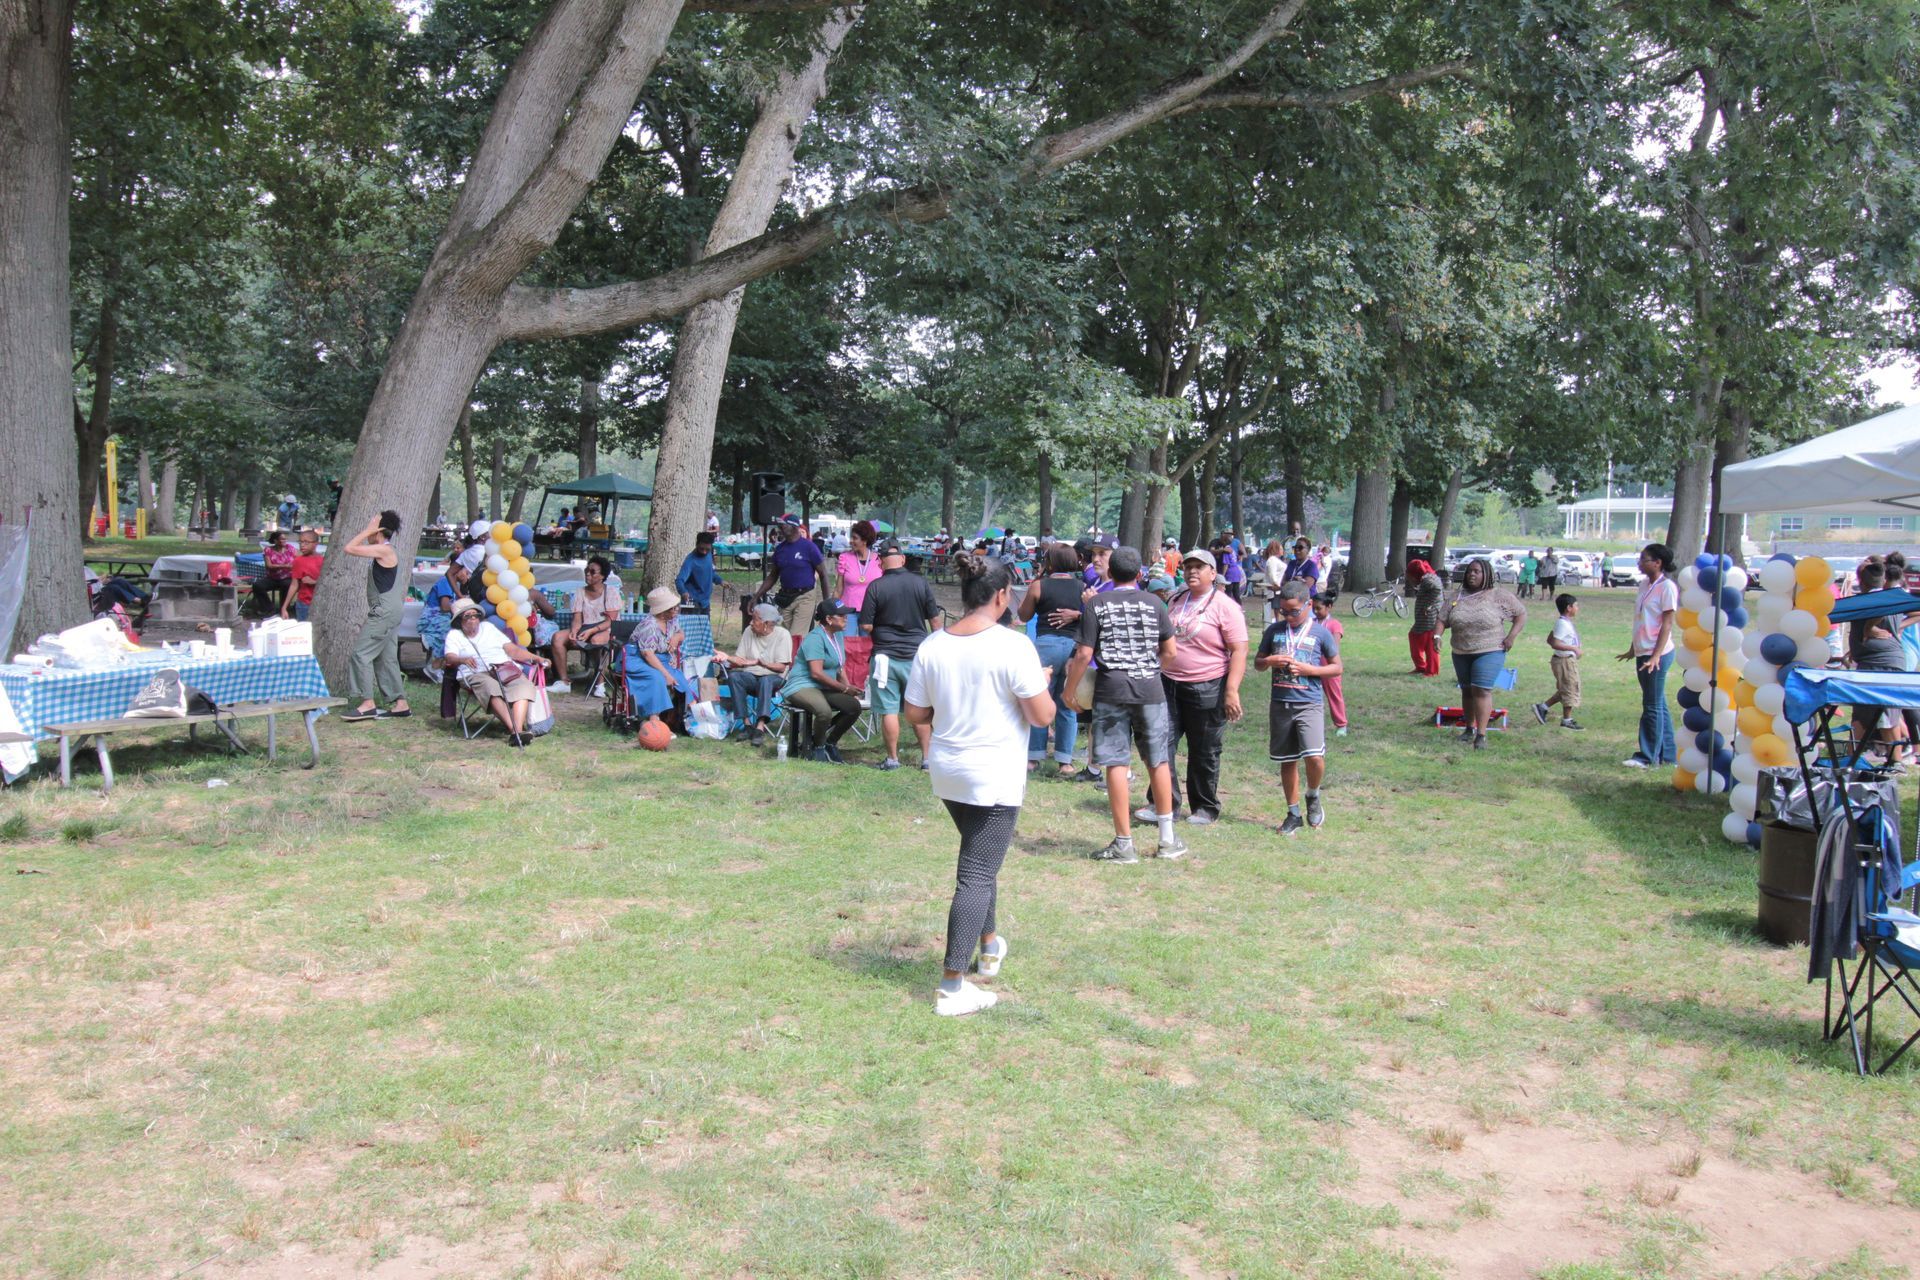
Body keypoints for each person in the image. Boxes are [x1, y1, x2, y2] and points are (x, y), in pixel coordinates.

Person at [903, 554, 1055, 1016]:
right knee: (976, 874)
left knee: (978, 861)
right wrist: (1041, 685)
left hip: (948, 769)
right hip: (992, 774)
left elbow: (915, 713)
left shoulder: (934, 644)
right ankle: (952, 986)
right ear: (1002, 595)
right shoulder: (1013, 647)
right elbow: (1043, 715)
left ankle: (989, 946)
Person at [1063, 545, 1186, 863]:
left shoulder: (1098, 604)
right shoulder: (1155, 604)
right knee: (1158, 762)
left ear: (1111, 573)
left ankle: (1123, 843)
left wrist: (1069, 691)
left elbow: (1084, 654)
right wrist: (1149, 669)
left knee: (1117, 763)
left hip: (1111, 690)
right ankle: (1167, 840)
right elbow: (1170, 652)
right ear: (1140, 574)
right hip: (1150, 691)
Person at [1140, 548, 1246, 826]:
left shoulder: (1226, 606)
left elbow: (1239, 650)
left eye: (1200, 567)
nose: (1192, 572)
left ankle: (1205, 807)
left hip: (1208, 687)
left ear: (1213, 573)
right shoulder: (1176, 598)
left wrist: (1232, 690)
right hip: (1168, 684)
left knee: (1204, 749)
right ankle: (1163, 804)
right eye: (1188, 567)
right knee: (1161, 743)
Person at [1255, 580, 1343, 835]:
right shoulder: (1274, 631)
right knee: (1288, 759)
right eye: (1284, 611)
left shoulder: (1321, 633)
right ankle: (1293, 813)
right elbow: (1258, 663)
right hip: (1281, 704)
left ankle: (1313, 795)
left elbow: (1337, 667)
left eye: (1294, 611)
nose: (1289, 616)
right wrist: (1270, 661)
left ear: (1308, 605)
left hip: (1309, 703)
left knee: (1314, 756)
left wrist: (1309, 670)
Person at [859, 538, 942, 770]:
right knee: (921, 709)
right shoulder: (920, 583)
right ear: (903, 559)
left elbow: (865, 626)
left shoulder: (875, 586)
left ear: (880, 562)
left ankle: (893, 758)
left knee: (888, 709)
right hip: (917, 656)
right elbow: (935, 622)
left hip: (885, 656)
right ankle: (927, 759)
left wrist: (883, 630)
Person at [1018, 542, 1088, 777]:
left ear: (1050, 562)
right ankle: (1065, 761)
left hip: (1045, 646)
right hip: (1072, 648)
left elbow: (1023, 615)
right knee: (1067, 704)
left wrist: (1037, 579)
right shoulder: (1083, 587)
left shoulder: (1040, 586)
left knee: (1039, 700)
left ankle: (1034, 757)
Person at [1439, 559, 1525, 750]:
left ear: (1486, 574)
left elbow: (1521, 614)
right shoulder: (1457, 596)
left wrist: (1511, 636)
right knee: (1467, 689)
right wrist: (1437, 636)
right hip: (1461, 650)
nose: (1472, 574)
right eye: (1470, 571)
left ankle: (1481, 735)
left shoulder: (1499, 596)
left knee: (1481, 689)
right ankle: (1469, 728)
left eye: (1477, 571)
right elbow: (1442, 618)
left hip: (1490, 649)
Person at [442, 599, 545, 747]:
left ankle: (517, 732)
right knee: (491, 688)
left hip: (502, 668)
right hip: (475, 673)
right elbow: (449, 657)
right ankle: (515, 731)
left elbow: (513, 650)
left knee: (524, 685)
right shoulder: (454, 635)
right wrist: (462, 659)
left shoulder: (488, 627)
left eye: (475, 615)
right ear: (459, 620)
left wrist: (536, 658)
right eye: (467, 616)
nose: (473, 618)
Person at [341, 510, 411, 722]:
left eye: (373, 525)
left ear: (379, 530)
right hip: (390, 611)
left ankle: (367, 703)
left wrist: (367, 531)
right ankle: (401, 703)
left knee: (361, 655)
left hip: (384, 612)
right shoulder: (385, 550)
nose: (369, 528)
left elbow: (349, 548)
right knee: (386, 657)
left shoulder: (384, 549)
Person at [1616, 542, 1679, 769]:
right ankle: (1669, 756)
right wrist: (1633, 649)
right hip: (1643, 650)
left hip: (1657, 654)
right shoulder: (1644, 585)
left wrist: (1656, 656)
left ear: (1657, 563)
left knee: (1651, 705)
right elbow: (1642, 619)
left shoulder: (1667, 588)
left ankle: (1647, 756)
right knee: (1658, 703)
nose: (1640, 563)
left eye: (1644, 559)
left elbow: (1667, 624)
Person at [783, 599, 863, 762]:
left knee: (853, 707)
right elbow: (816, 674)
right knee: (823, 711)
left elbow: (840, 667)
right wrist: (845, 689)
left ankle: (829, 743)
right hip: (803, 685)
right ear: (828, 619)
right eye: (841, 616)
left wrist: (848, 689)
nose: (846, 618)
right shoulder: (815, 638)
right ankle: (817, 748)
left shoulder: (838, 635)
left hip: (823, 686)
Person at [717, 602, 793, 746]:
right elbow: (740, 660)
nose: (751, 622)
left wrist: (762, 663)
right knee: (734, 677)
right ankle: (746, 725)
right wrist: (726, 657)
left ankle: (760, 727)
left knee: (766, 680)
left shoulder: (783, 635)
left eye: (755, 619)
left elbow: (781, 667)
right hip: (752, 677)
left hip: (775, 678)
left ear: (766, 623)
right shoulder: (748, 631)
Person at [628, 587, 694, 733]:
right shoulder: (650, 626)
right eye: (673, 607)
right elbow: (647, 654)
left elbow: (680, 632)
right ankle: (654, 721)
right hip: (638, 659)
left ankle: (684, 720)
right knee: (657, 678)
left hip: (662, 658)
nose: (677, 609)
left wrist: (677, 638)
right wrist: (666, 675)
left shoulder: (672, 621)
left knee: (681, 681)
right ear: (663, 611)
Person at [551, 555, 621, 694]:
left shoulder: (611, 592)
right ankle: (564, 681)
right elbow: (577, 618)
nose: (588, 574)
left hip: (606, 629)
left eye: (593, 572)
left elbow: (610, 620)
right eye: (586, 571)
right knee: (558, 637)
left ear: (602, 576)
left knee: (596, 640)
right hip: (586, 627)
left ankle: (599, 684)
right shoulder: (580, 592)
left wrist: (591, 631)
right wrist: (574, 631)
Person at [832, 520, 884, 686]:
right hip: (848, 612)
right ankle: (844, 682)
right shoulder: (845, 558)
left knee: (868, 648)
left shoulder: (879, 560)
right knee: (844, 646)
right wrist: (831, 608)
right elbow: (839, 587)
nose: (851, 541)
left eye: (855, 538)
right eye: (851, 537)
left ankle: (866, 682)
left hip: (871, 613)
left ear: (865, 540)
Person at [757, 518, 825, 632]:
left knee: (796, 637)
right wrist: (756, 595)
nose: (780, 528)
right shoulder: (780, 549)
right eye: (779, 526)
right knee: (784, 636)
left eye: (783, 525)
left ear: (794, 527)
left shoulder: (809, 547)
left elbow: (823, 574)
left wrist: (827, 602)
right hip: (786, 598)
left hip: (805, 596)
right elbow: (773, 576)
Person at [417, 550, 473, 681]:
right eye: (467, 571)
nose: (468, 576)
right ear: (457, 569)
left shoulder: (455, 585)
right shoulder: (445, 582)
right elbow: (445, 606)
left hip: (441, 617)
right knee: (450, 634)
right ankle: (434, 666)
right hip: (433, 619)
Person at [1534, 593, 1585, 731]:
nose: (1577, 608)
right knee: (1570, 688)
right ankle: (1567, 720)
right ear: (1569, 607)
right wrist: (1573, 648)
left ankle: (1542, 707)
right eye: (1576, 605)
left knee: (1566, 688)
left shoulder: (1562, 622)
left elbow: (1550, 639)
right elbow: (1555, 643)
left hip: (1565, 660)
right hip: (1564, 661)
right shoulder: (1563, 624)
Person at [675, 531, 718, 661]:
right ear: (696, 544)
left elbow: (711, 573)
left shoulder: (709, 554)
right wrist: (684, 592)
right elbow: (679, 580)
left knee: (704, 634)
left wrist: (720, 581)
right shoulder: (691, 560)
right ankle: (686, 660)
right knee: (690, 636)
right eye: (701, 549)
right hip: (692, 602)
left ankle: (704, 660)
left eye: (707, 549)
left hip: (705, 602)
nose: (704, 552)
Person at [1311, 591, 1348, 736]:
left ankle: (1341, 724)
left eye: (1318, 608)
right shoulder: (1311, 623)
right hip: (1312, 665)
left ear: (1329, 607)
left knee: (1334, 695)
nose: (1315, 611)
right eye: (1313, 608)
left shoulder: (1334, 625)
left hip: (1329, 667)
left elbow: (1334, 647)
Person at [1407, 559, 1444, 676]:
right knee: (1415, 637)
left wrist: (1428, 605)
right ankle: (1422, 667)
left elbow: (1436, 589)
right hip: (1425, 618)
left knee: (1429, 643)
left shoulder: (1428, 580)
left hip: (1430, 618)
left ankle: (1431, 671)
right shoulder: (1427, 577)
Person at [281, 528, 324, 621]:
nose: (302, 545)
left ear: (316, 544)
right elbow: (294, 585)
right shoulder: (298, 561)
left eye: (306, 542)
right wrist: (284, 607)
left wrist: (315, 582)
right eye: (300, 542)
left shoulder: (323, 560)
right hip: (304, 603)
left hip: (321, 602)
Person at [258, 530, 295, 614]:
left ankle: (284, 609)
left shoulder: (290, 548)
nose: (284, 541)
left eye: (285, 539)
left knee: (287, 585)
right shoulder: (268, 550)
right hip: (272, 578)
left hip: (287, 577)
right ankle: (268, 608)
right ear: (275, 540)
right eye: (282, 539)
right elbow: (269, 565)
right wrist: (285, 566)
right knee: (258, 585)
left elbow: (298, 559)